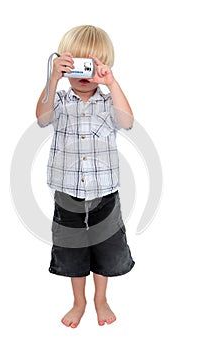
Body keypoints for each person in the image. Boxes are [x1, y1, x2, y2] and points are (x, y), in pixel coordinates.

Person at [36, 25, 135, 328]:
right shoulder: (61, 100)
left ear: (103, 67)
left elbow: (127, 122)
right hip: (67, 194)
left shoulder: (108, 102)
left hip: (105, 193)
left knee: (106, 248)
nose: (82, 73)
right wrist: (52, 79)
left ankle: (100, 298)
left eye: (89, 66)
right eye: (75, 63)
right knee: (72, 250)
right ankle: (78, 300)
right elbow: (41, 118)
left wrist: (112, 83)